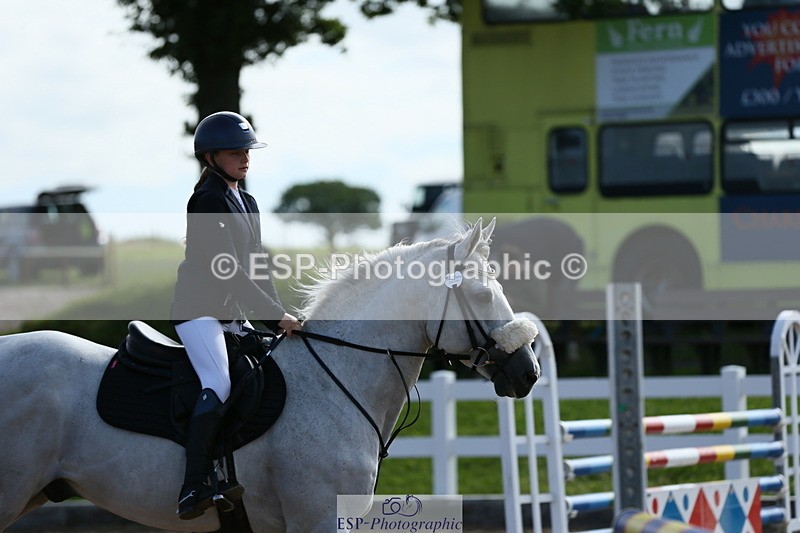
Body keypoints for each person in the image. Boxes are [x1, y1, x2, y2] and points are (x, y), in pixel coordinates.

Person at [170, 111, 302, 520]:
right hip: (199, 314)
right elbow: (228, 267)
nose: (245, 159)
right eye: (234, 152)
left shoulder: (247, 200)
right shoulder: (206, 199)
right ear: (210, 157)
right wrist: (273, 316)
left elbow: (258, 264)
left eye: (247, 151)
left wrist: (281, 313)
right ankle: (193, 487)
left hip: (232, 315)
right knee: (219, 380)